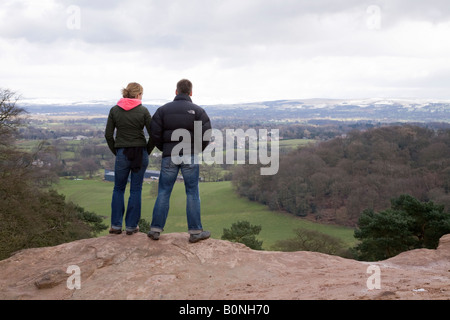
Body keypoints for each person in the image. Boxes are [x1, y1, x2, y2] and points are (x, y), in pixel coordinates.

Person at [148, 79, 211, 243]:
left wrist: (165, 149)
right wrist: (196, 150)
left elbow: (154, 133)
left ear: (176, 92)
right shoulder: (198, 111)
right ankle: (195, 231)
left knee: (163, 191)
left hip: (170, 155)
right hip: (190, 155)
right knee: (192, 192)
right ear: (190, 93)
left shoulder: (162, 110)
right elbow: (205, 135)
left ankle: (155, 229)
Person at [105, 82, 154, 235]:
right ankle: (132, 226)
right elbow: (154, 134)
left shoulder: (114, 110)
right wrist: (147, 150)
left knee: (118, 188)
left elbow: (108, 135)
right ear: (138, 95)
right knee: (136, 189)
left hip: (122, 152)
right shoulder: (143, 110)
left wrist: (117, 151)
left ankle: (116, 226)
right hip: (140, 152)